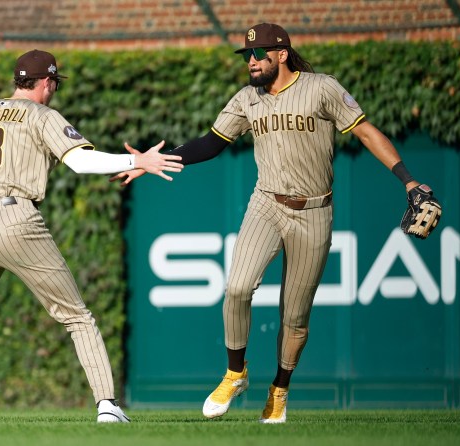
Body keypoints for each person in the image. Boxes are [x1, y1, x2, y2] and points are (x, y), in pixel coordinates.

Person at [111, 23, 440, 423]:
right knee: (236, 288)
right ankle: (235, 373)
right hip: (266, 204)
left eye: (259, 53)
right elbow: (211, 143)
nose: (251, 60)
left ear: (282, 54)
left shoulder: (321, 88)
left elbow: (367, 133)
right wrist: (157, 160)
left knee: (295, 317)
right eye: (248, 54)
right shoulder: (247, 99)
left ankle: (279, 391)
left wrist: (408, 181)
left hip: (316, 212)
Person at [0, 49, 183, 422]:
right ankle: (107, 406)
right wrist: (137, 160)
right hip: (18, 220)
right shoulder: (41, 114)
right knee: (77, 317)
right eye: (54, 85)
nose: (54, 92)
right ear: (46, 82)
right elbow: (80, 161)